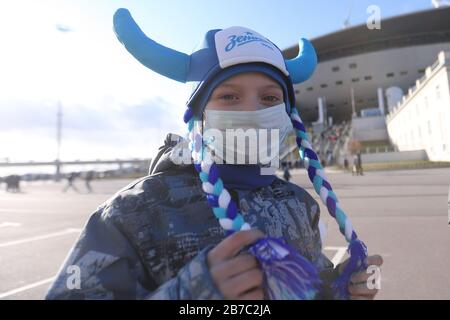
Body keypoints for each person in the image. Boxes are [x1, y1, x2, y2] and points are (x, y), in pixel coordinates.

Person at [46, 9, 382, 300]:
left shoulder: (299, 204)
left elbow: (306, 287)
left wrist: (340, 288)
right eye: (230, 96)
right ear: (198, 114)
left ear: (288, 114)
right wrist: (191, 295)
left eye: (268, 98)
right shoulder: (131, 213)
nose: (252, 111)